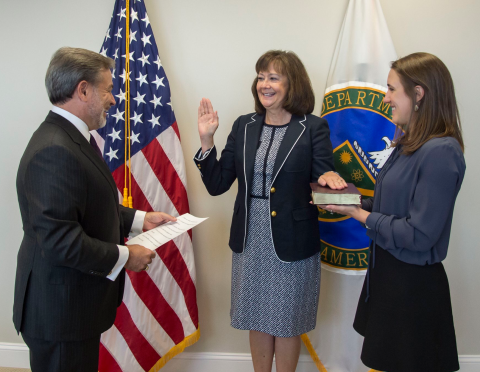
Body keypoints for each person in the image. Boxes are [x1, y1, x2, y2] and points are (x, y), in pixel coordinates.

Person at [14, 47, 176, 372]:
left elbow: (87, 204)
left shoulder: (70, 138)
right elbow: (61, 240)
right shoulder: (54, 150)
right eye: (108, 89)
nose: (113, 99)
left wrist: (141, 220)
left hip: (72, 309)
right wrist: (126, 257)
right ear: (83, 89)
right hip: (60, 314)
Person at [194, 50, 346, 372]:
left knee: (286, 321)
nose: (264, 84)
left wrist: (328, 177)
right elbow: (218, 183)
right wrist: (207, 142)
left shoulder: (313, 128)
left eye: (273, 77)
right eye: (261, 76)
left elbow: (322, 174)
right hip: (251, 236)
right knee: (257, 317)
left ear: (293, 84)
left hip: (293, 238)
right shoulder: (243, 125)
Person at [324, 52, 465, 372]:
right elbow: (392, 206)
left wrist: (363, 217)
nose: (385, 98)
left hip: (413, 289)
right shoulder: (407, 143)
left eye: (391, 89)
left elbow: (419, 233)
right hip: (388, 278)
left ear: (418, 95)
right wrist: (350, 203)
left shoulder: (441, 151)